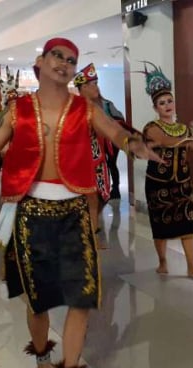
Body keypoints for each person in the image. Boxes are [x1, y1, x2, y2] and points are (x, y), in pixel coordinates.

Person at [0, 38, 159, 368]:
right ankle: (43, 357)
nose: (64, 63)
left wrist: (136, 146)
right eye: (57, 56)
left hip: (74, 213)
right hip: (31, 215)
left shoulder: (84, 109)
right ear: (40, 62)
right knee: (38, 302)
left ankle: (70, 366)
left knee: (82, 297)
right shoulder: (18, 109)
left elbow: (116, 133)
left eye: (71, 60)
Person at [138, 62, 193, 279]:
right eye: (162, 103)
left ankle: (191, 266)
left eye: (169, 101)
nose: (167, 105)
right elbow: (169, 141)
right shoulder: (152, 128)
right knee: (161, 226)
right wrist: (192, 139)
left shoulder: (185, 128)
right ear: (155, 108)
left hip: (182, 182)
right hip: (159, 184)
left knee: (187, 224)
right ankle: (163, 262)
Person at [74, 63, 112, 247]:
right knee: (89, 199)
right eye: (92, 83)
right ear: (82, 88)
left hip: (99, 160)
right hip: (82, 161)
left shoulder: (99, 107)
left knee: (101, 197)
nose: (96, 87)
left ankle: (92, 233)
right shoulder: (75, 109)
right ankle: (90, 237)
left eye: (96, 83)